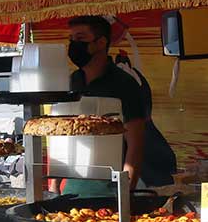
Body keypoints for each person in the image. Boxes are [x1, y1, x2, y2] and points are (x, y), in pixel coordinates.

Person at [63, 16, 177, 195]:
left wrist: (125, 192)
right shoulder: (72, 81)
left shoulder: (124, 84)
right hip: (74, 182)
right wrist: (55, 183)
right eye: (71, 40)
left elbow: (135, 144)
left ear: (101, 43)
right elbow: (64, 136)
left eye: (80, 39)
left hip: (111, 185)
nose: (73, 45)